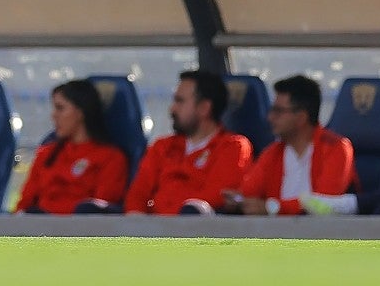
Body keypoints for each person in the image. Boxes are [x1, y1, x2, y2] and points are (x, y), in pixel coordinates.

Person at [121, 70, 252, 215]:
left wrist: (168, 220)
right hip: (151, 231)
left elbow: (216, 196)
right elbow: (138, 194)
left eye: (180, 101)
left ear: (204, 108)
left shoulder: (232, 147)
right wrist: (136, 222)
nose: (172, 108)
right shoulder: (162, 146)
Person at [225, 75, 355, 216]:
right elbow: (248, 192)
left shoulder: (337, 148)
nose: (270, 117)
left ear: (301, 117)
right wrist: (237, 201)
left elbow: (325, 203)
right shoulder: (272, 153)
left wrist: (273, 207)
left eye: (278, 111)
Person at [15, 80, 128, 215]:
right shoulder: (47, 154)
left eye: (60, 108)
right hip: (41, 230)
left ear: (80, 112)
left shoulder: (111, 158)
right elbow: (25, 203)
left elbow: (100, 211)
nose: (53, 115)